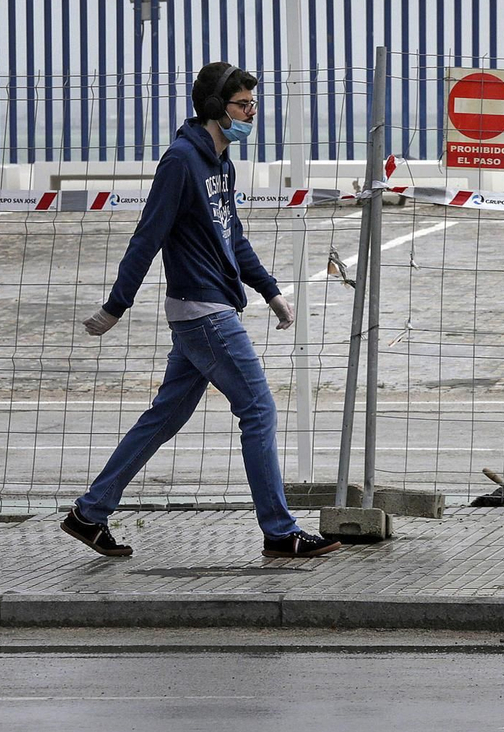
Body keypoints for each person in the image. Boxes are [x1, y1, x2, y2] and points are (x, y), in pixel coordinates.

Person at [61, 62, 341, 559]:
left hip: (207, 309)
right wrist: (116, 305)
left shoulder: (221, 164)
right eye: (243, 105)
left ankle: (90, 512)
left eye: (254, 104)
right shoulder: (181, 161)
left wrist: (270, 291)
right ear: (216, 107)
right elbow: (148, 235)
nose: (251, 114)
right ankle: (280, 532)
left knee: (163, 417)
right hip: (203, 311)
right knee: (259, 409)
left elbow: (232, 236)